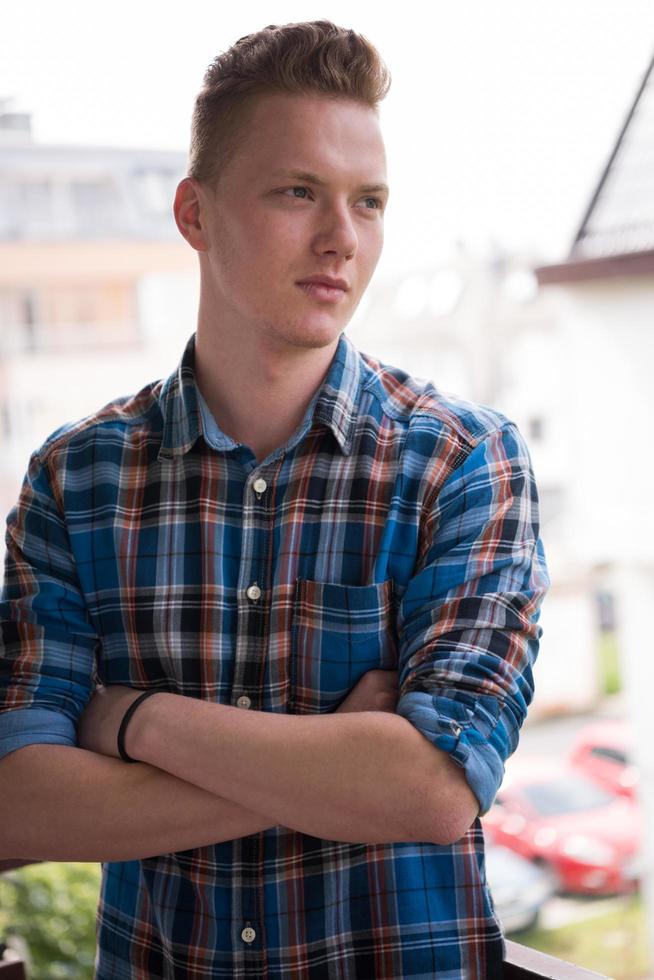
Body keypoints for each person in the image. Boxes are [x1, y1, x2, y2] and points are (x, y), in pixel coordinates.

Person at [0, 20, 548, 979]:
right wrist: (338, 763)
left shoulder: (463, 462)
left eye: (368, 202)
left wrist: (136, 723)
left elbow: (432, 791)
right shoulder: (74, 480)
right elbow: (20, 802)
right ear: (194, 213)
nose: (342, 238)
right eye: (299, 192)